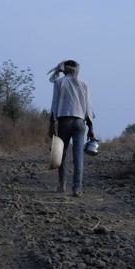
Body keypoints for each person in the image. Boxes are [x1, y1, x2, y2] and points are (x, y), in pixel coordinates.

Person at [48, 60, 95, 197]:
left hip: (64, 121)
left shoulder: (59, 83)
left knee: (61, 153)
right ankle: (77, 188)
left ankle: (62, 185)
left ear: (64, 70)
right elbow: (89, 108)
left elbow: (54, 105)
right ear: (76, 69)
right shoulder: (84, 84)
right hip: (80, 122)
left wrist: (51, 124)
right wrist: (91, 127)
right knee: (78, 155)